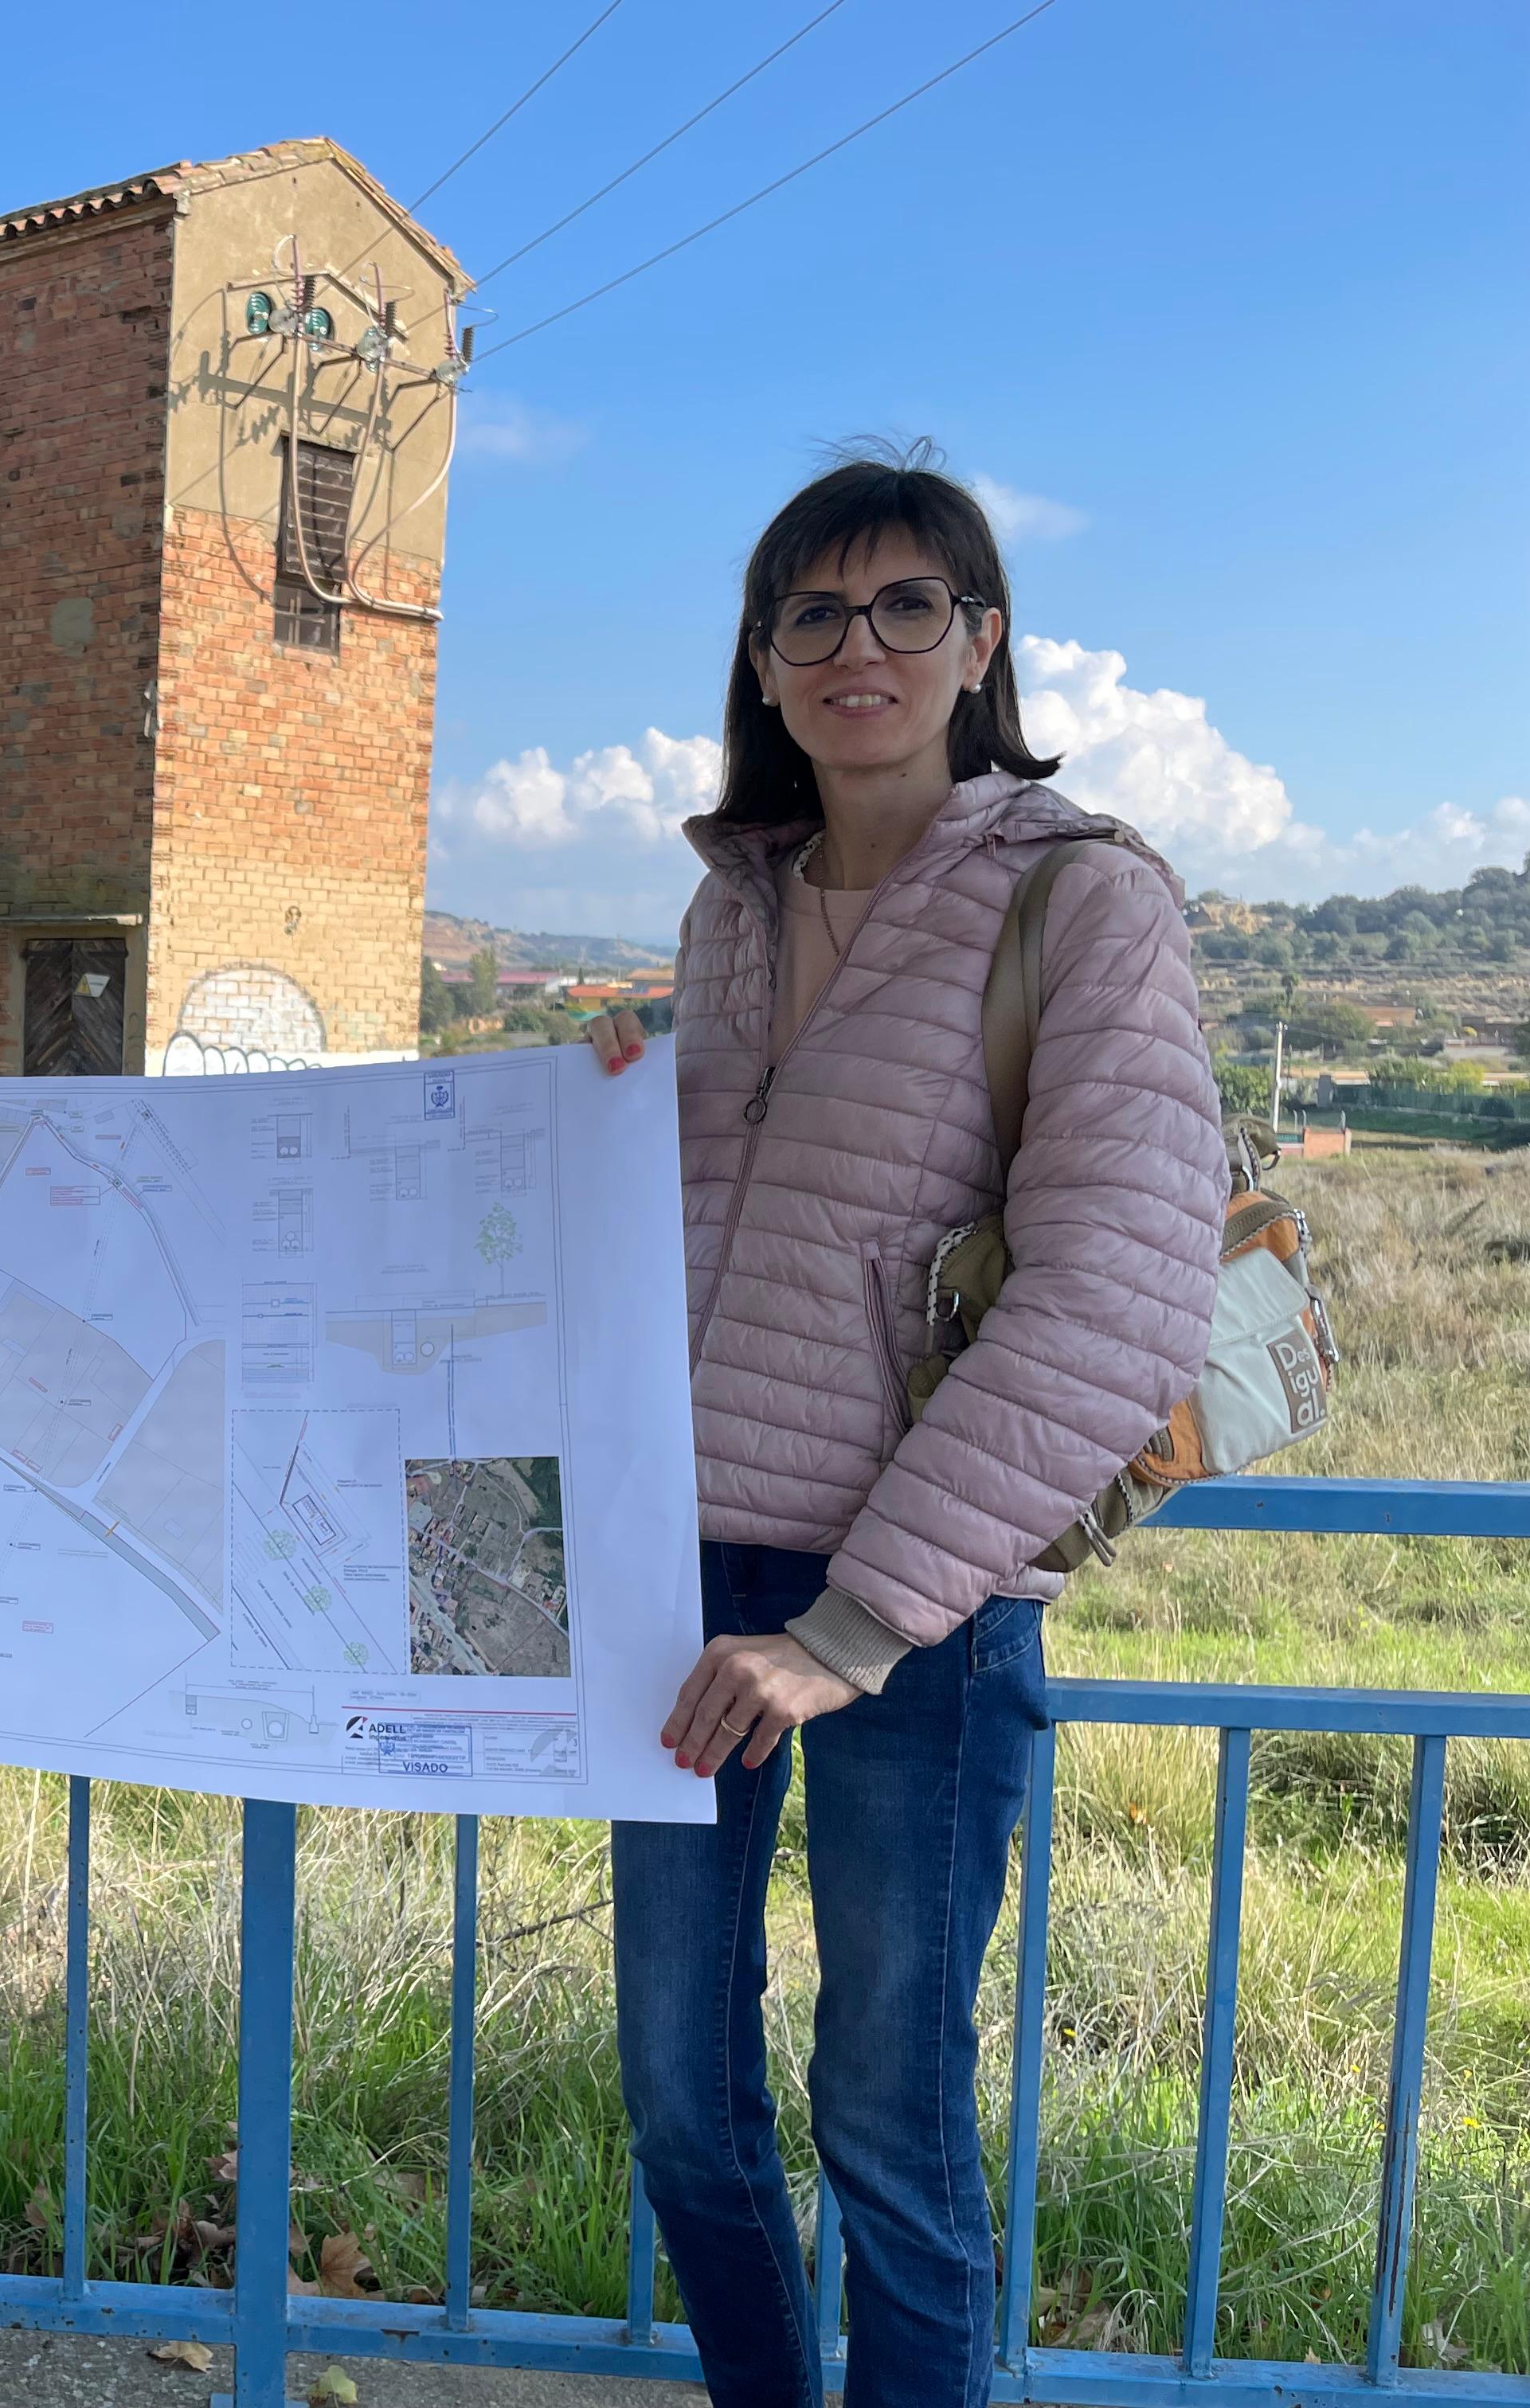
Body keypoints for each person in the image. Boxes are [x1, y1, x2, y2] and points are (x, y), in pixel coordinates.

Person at [583, 445, 1221, 2406]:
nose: (857, 646)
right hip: (677, 1577)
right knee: (682, 2104)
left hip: (912, 1620)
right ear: (764, 667)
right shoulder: (733, 915)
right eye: (812, 615)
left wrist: (852, 1627)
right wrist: (607, 1103)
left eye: (904, 608)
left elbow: (1120, 1294)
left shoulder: (1081, 903)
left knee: (889, 2126)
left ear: (982, 644)